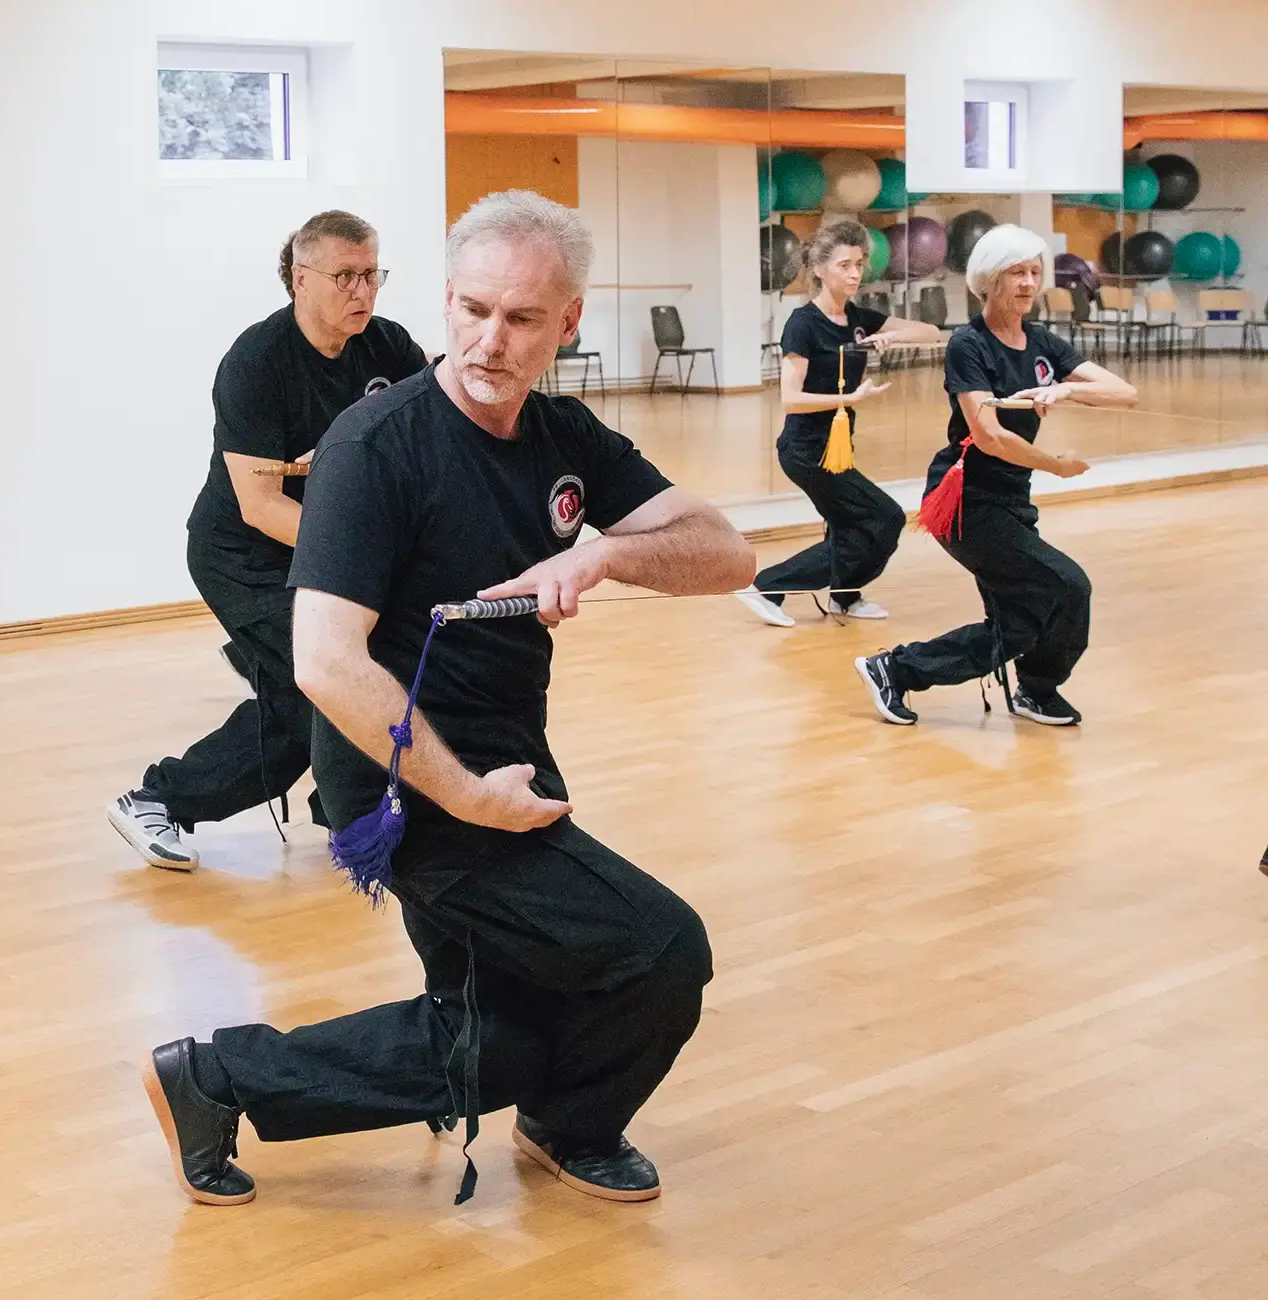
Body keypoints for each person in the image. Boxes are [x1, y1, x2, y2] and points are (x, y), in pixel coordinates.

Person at [139, 191, 755, 1207]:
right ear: (447, 300)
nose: (487, 340)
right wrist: (461, 793)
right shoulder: (371, 449)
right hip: (403, 779)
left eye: (520, 319)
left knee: (497, 1034)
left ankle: (213, 1078)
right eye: (471, 309)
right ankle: (574, 1120)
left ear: (566, 321)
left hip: (506, 753)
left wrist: (607, 550)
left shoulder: (560, 435)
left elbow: (725, 555)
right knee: (657, 950)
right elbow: (325, 663)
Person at [109, 211, 426, 870]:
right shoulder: (257, 362)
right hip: (243, 556)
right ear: (299, 279)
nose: (362, 291)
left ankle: (320, 801)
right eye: (345, 276)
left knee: (313, 689)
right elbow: (259, 506)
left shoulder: (390, 349)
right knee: (325, 682)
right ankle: (167, 798)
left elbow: (428, 437)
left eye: (373, 275)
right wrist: (366, 552)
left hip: (322, 550)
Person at [855, 224, 1134, 727]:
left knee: (1023, 623)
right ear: (989, 280)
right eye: (1015, 272)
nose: (1028, 283)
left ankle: (896, 670)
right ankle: (1036, 686)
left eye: (1034, 272)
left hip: (1010, 500)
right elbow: (988, 436)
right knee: (1068, 586)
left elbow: (1124, 393)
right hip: (966, 503)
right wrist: (1055, 465)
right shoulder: (970, 345)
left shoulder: (1043, 343)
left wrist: (1067, 391)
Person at [736, 222, 941, 627]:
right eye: (844, 265)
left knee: (847, 524)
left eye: (859, 265)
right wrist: (849, 399)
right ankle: (768, 585)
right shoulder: (803, 324)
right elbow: (791, 400)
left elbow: (931, 332)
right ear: (819, 269)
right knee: (884, 518)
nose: (854, 274)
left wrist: (890, 338)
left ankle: (845, 597)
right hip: (805, 451)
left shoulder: (858, 319)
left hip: (835, 448)